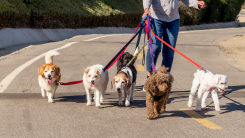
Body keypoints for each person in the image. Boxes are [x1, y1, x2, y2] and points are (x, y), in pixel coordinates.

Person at [142, 0, 205, 80]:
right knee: (155, 48)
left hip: (173, 20)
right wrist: (146, 9)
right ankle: (149, 77)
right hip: (156, 18)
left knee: (169, 51)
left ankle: (163, 80)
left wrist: (196, 3)